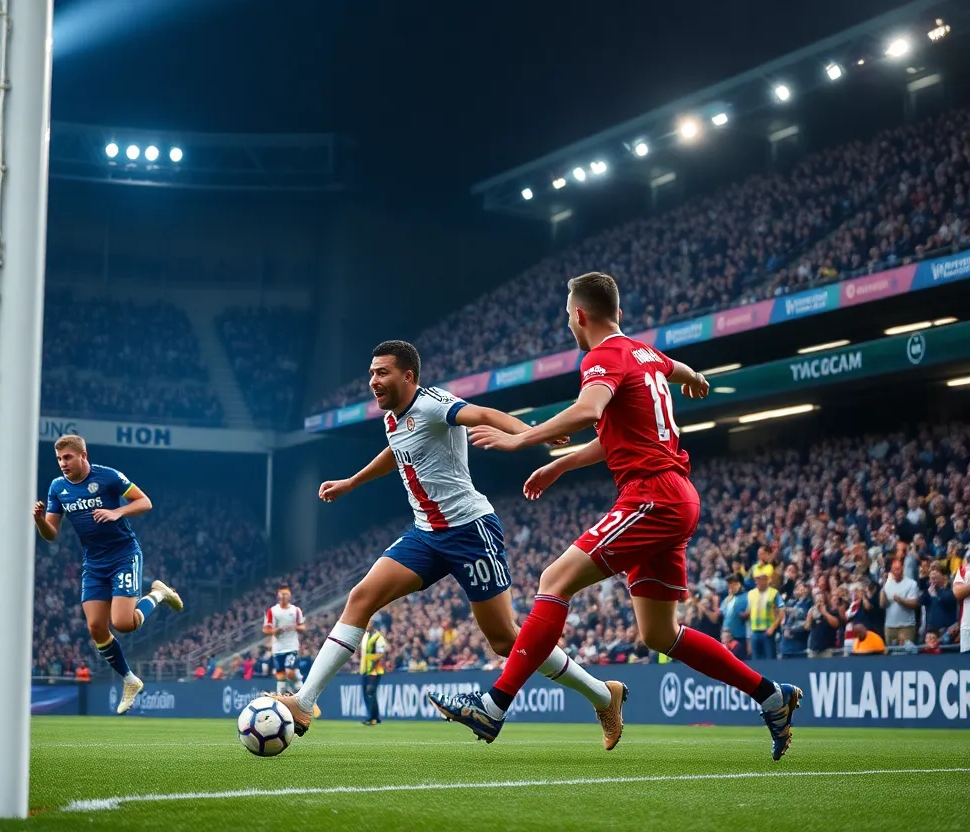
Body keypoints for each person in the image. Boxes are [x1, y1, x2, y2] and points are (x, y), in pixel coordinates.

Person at [427, 272, 802, 761]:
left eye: (568, 316)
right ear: (618, 313)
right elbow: (660, 387)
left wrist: (522, 438)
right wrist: (561, 464)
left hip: (652, 496)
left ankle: (493, 706)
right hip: (676, 496)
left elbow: (588, 410)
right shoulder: (644, 354)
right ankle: (772, 697)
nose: (569, 324)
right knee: (659, 634)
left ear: (580, 315)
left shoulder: (601, 358)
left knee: (554, 579)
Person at [270, 340, 626, 748]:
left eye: (382, 372)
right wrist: (352, 482)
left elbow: (483, 414)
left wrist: (529, 433)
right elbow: (396, 452)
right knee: (361, 597)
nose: (373, 381)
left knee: (505, 639)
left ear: (408, 376)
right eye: (371, 373)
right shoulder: (393, 418)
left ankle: (603, 695)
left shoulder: (433, 404)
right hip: (425, 535)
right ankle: (304, 701)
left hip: (470, 531)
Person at [32, 434, 183, 714]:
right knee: (96, 628)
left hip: (123, 554)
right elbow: (50, 534)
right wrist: (40, 521)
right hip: (94, 563)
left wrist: (117, 512)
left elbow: (145, 502)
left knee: (123, 623)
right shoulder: (57, 487)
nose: (63, 463)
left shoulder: (108, 477)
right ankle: (130, 680)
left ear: (83, 456)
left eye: (68, 457)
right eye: (59, 459)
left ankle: (158, 594)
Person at [263, 584, 308, 696]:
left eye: (286, 594)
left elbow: (303, 626)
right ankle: (283, 697)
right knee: (281, 678)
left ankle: (301, 689)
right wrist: (275, 630)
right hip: (278, 649)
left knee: (289, 671)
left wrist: (293, 627)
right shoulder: (272, 611)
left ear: (290, 595)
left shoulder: (296, 610)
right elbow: (266, 629)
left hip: (291, 647)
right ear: (278, 595)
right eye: (282, 594)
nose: (284, 596)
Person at [360, 623, 388, 725]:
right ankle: (376, 717)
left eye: (369, 624)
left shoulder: (378, 638)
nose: (366, 626)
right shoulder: (365, 636)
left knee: (370, 691)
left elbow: (380, 654)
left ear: (373, 626)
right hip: (364, 670)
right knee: (368, 693)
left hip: (374, 670)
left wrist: (372, 667)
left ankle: (371, 717)